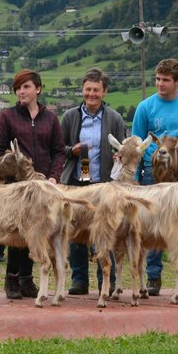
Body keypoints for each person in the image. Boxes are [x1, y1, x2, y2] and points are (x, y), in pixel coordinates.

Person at [131, 58, 178, 295]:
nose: (160, 84)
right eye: (157, 79)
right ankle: (153, 276)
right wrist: (135, 177)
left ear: (177, 81)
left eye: (165, 80)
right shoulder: (145, 107)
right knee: (153, 223)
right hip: (154, 173)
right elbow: (137, 142)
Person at [0, 68, 65, 300]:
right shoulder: (7, 116)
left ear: (38, 89)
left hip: (43, 187)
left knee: (36, 232)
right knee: (17, 231)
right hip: (15, 188)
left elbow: (59, 151)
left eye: (26, 87)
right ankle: (12, 279)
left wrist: (53, 176)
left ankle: (26, 278)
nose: (21, 91)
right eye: (18, 88)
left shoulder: (50, 118)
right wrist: (12, 169)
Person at [61, 68, 127, 296]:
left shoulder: (115, 118)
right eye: (88, 89)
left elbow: (122, 147)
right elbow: (60, 148)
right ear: (82, 90)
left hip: (104, 185)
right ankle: (79, 280)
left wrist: (120, 156)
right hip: (76, 183)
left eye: (96, 90)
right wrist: (73, 150)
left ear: (104, 92)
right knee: (76, 231)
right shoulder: (70, 116)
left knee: (104, 233)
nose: (91, 94)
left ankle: (104, 280)